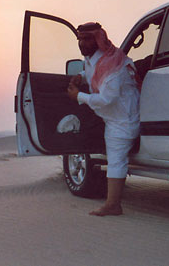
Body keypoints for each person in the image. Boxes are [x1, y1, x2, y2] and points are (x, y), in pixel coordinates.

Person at [67, 22, 140, 216]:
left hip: (123, 119)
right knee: (113, 158)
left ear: (98, 38)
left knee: (116, 160)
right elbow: (92, 72)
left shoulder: (112, 64)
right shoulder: (94, 58)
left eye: (87, 38)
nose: (82, 43)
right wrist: (80, 77)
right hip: (111, 118)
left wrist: (79, 97)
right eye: (80, 39)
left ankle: (113, 204)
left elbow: (107, 98)